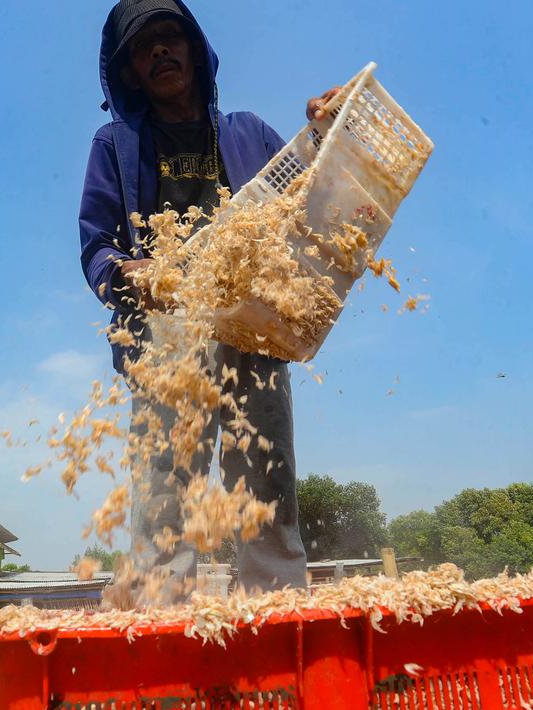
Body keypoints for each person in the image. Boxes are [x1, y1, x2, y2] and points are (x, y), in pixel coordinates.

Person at [78, 0, 338, 600]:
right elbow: (96, 246)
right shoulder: (116, 146)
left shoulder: (247, 133)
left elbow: (308, 197)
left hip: (251, 326)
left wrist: (326, 130)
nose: (161, 52)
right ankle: (165, 623)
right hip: (165, 338)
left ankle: (276, 615)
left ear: (196, 50)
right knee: (166, 494)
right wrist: (127, 273)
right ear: (129, 71)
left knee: (266, 485)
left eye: (172, 38)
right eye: (146, 47)